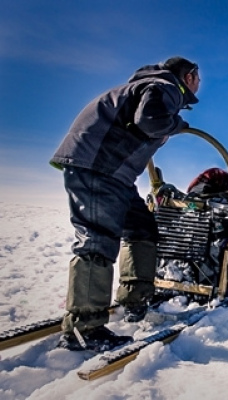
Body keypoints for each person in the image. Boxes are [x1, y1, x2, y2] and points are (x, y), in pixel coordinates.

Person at [50, 56, 201, 352]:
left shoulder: (146, 86)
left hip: (111, 172)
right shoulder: (163, 86)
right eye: (197, 76)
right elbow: (152, 120)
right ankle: (84, 328)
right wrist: (177, 123)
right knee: (97, 240)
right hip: (98, 167)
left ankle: (135, 299)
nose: (199, 83)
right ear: (188, 75)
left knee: (142, 228)